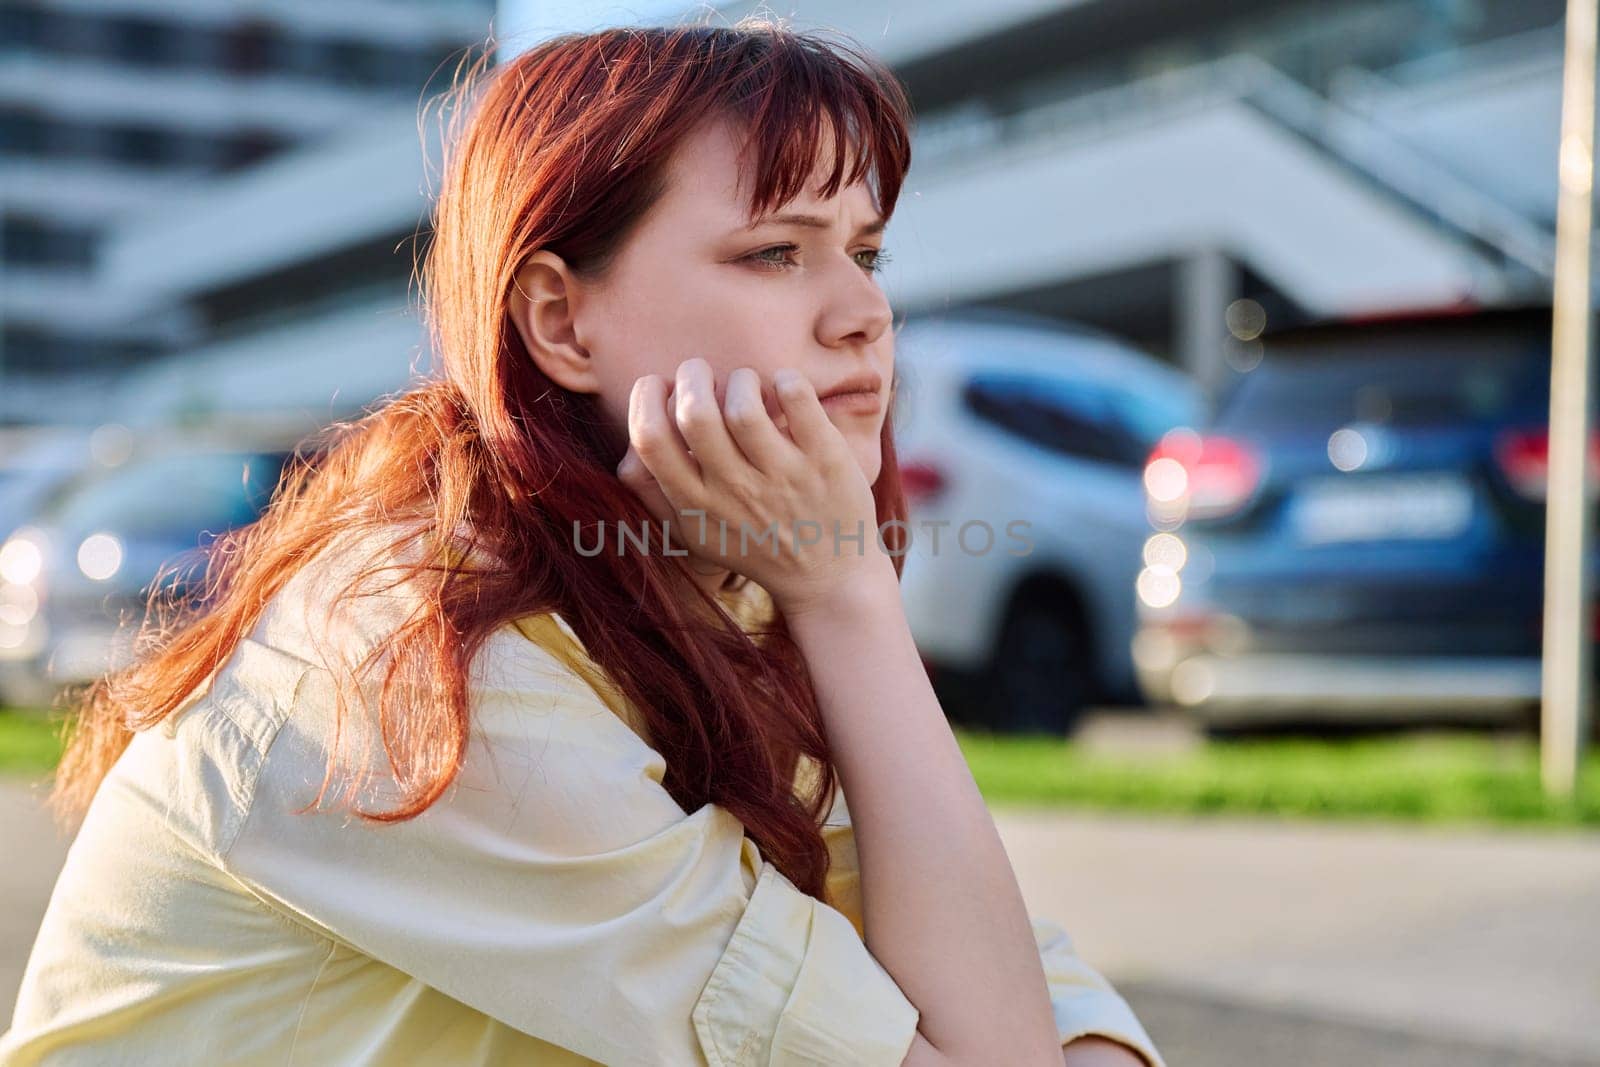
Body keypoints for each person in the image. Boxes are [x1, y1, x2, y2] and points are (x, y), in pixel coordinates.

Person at [0, 19, 1164, 1067]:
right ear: (560, 319)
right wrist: (850, 591)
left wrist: (831, 598)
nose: (863, 314)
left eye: (865, 252)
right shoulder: (420, 667)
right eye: (776, 251)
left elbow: (1008, 984)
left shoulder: (710, 592)